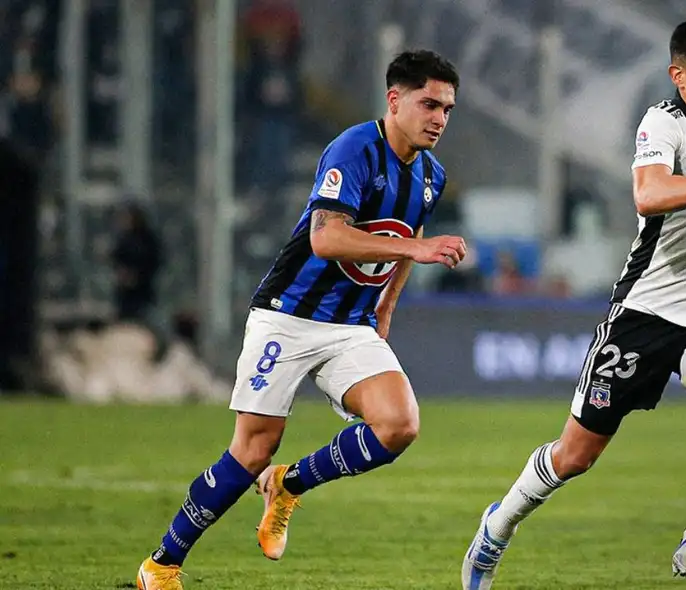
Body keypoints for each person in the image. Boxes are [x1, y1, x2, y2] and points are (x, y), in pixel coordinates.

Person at [462, 18, 686, 588]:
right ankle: (497, 527)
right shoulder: (663, 123)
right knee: (575, 456)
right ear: (678, 77)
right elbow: (649, 193)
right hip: (645, 314)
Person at [137, 49, 466, 590]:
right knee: (251, 449)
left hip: (350, 325)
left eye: (448, 109)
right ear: (395, 99)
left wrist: (385, 307)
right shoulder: (354, 148)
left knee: (399, 424)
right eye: (430, 104)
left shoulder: (431, 175)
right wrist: (419, 251)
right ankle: (162, 564)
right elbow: (326, 237)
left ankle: (289, 484)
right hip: (287, 317)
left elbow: (404, 242)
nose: (439, 119)